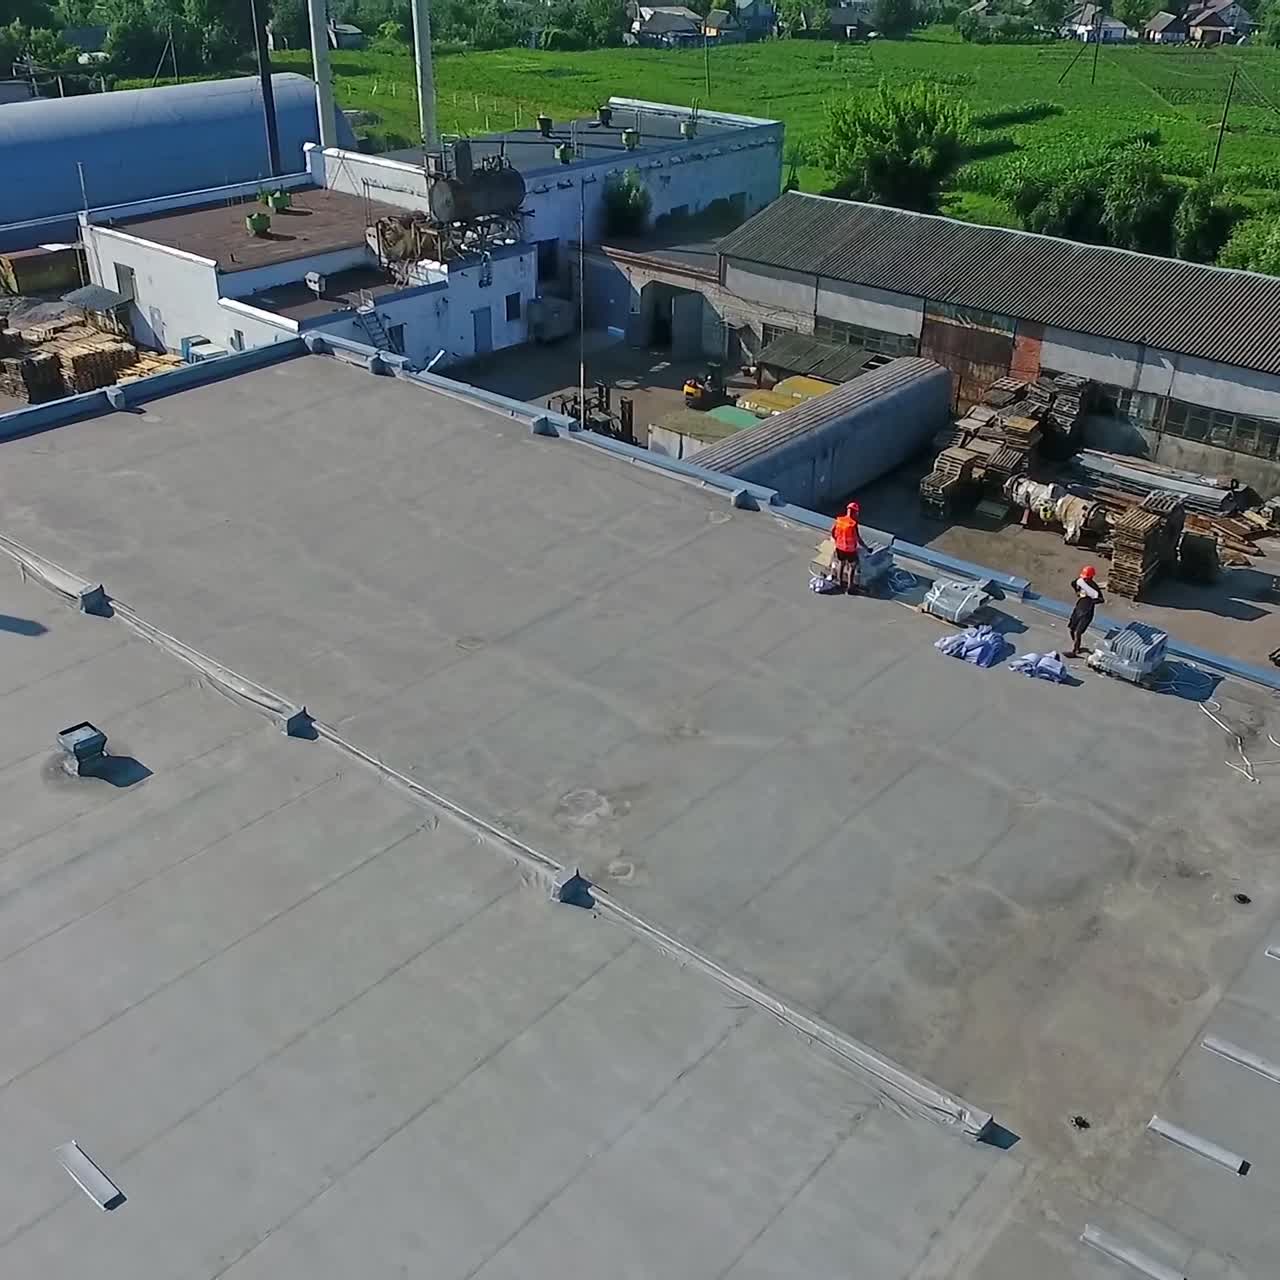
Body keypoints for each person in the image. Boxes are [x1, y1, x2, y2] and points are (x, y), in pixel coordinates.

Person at [1068, 565, 1103, 656]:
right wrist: (1077, 592)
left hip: (1087, 612)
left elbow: (1101, 599)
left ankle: (1075, 650)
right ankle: (1076, 643)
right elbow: (1073, 583)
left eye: (1087, 578)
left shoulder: (1094, 588)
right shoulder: (1080, 581)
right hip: (1079, 608)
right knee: (1072, 629)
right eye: (1085, 578)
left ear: (1091, 577)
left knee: (1078, 632)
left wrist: (1091, 600)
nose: (1085, 580)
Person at [831, 502, 861, 592]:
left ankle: (839, 583)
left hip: (840, 547)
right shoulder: (853, 523)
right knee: (852, 566)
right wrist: (867, 548)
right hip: (851, 550)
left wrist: (836, 540)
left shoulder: (839, 520)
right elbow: (858, 538)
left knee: (841, 563)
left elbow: (832, 531)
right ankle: (850, 587)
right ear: (855, 512)